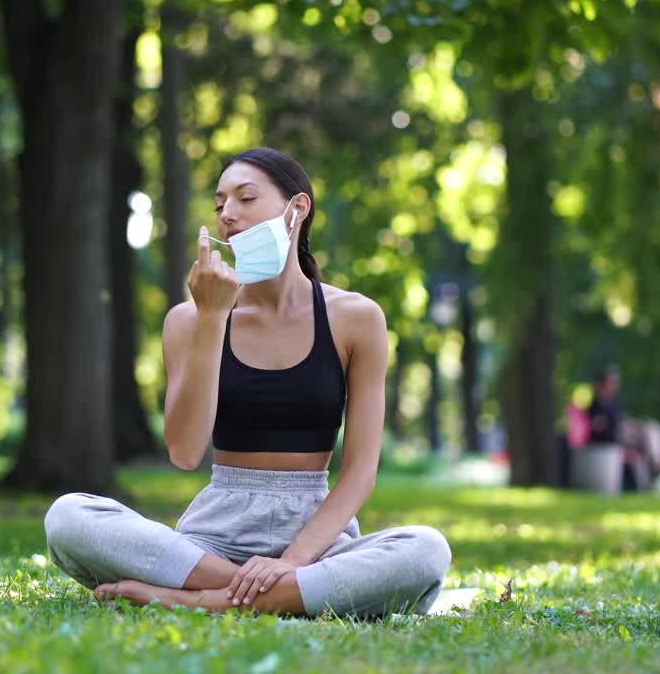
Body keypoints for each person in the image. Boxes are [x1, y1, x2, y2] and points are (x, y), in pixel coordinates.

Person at [43, 147, 451, 619]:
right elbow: (184, 451)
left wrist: (295, 560)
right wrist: (214, 317)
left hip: (317, 539)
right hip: (211, 539)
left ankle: (199, 602)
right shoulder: (188, 320)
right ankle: (288, 596)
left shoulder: (357, 318)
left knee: (426, 549)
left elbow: (360, 472)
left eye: (246, 198)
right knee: (69, 517)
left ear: (296, 209)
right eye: (219, 205)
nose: (228, 215)